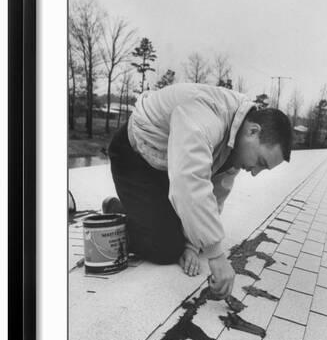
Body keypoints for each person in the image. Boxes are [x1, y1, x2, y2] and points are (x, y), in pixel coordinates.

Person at [105, 82, 292, 300]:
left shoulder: (237, 141)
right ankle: (115, 211)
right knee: (164, 248)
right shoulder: (205, 116)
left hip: (166, 167)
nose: (254, 172)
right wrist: (216, 256)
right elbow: (188, 181)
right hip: (134, 157)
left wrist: (192, 246)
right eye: (260, 162)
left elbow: (213, 196)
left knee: (188, 235)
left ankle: (141, 213)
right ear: (253, 131)